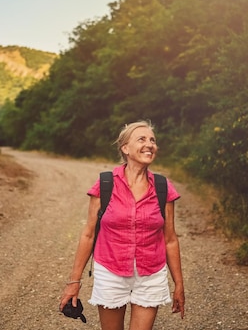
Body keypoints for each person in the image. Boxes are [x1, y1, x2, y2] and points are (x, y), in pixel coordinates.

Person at [59, 120, 185, 330]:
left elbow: (170, 239)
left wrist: (179, 284)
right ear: (125, 148)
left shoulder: (163, 187)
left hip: (150, 274)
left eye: (152, 140)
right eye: (142, 139)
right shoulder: (106, 184)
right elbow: (88, 234)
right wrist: (74, 282)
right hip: (110, 271)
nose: (150, 144)